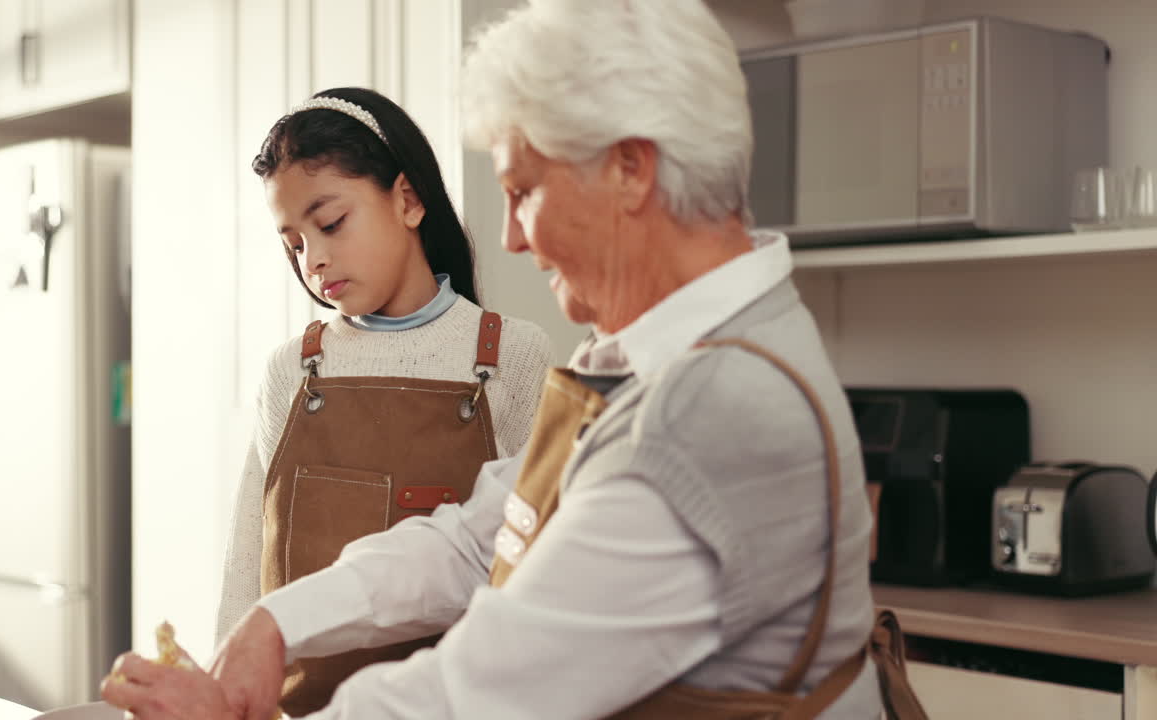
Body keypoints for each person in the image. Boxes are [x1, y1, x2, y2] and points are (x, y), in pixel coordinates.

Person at [102, 2, 926, 718]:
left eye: (524, 189)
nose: (510, 237)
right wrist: (275, 622)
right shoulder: (656, 359)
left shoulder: (714, 412)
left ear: (629, 170)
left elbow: (488, 693)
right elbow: (479, 537)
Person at [211, 86, 552, 716]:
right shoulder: (291, 369)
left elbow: (528, 569)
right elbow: (246, 564)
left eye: (331, 222)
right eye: (293, 243)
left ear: (408, 198)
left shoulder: (513, 356)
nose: (314, 259)